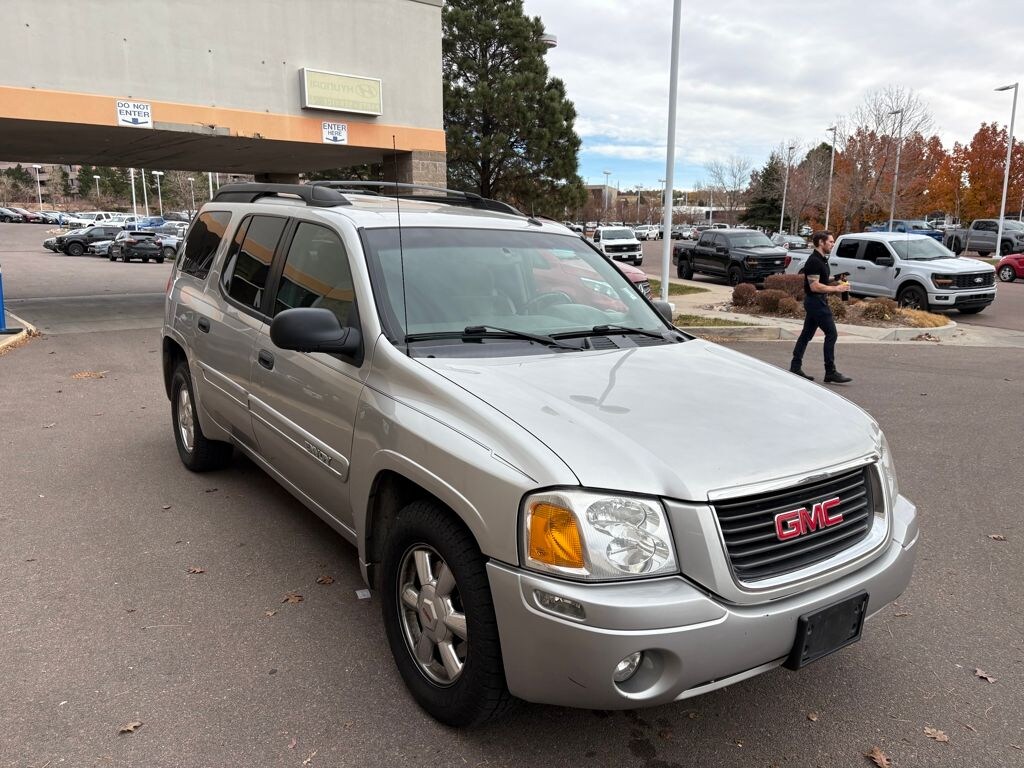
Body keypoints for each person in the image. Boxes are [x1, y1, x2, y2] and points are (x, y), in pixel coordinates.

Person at [789, 231, 852, 384]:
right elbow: (815, 286)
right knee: (832, 334)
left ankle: (795, 367)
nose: (832, 244)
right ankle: (830, 371)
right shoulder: (813, 261)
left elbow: (822, 279)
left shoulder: (822, 260)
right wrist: (837, 290)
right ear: (821, 243)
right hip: (816, 303)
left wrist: (836, 279)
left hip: (817, 302)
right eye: (830, 241)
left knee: (806, 335)